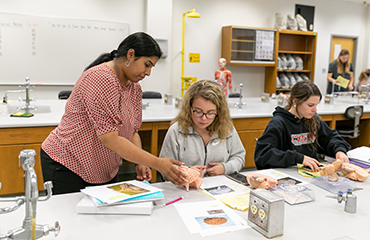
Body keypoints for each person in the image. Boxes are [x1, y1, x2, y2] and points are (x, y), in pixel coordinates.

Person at [41, 32, 186, 194]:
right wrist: (157, 163)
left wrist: (141, 162)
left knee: (101, 215)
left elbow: (133, 132)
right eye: (147, 64)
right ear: (130, 55)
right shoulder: (101, 78)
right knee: (70, 216)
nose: (148, 73)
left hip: (101, 168)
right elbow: (110, 138)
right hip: (68, 163)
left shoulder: (134, 88)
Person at [254, 80, 351, 172]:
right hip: (287, 176)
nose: (315, 110)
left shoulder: (312, 120)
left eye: (316, 105)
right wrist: (299, 158)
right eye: (310, 105)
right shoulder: (279, 123)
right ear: (295, 102)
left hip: (311, 174)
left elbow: (331, 137)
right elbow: (263, 155)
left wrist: (339, 151)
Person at [159, 80, 245, 177]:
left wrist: (225, 168)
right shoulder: (176, 131)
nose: (203, 118)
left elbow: (239, 157)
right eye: (198, 111)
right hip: (184, 189)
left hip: (219, 187)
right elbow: (165, 168)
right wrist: (186, 172)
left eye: (210, 113)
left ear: (219, 112)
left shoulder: (226, 128)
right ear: (189, 107)